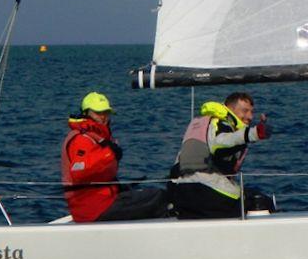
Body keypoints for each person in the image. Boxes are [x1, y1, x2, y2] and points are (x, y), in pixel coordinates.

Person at [61, 92, 172, 222]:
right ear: (86, 113)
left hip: (102, 202)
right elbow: (79, 171)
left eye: (106, 113)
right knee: (158, 197)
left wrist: (118, 187)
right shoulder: (82, 139)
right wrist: (109, 154)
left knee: (152, 194)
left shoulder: (98, 137)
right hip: (93, 208)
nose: (103, 117)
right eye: (98, 113)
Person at [169, 91, 274, 219]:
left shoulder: (201, 124)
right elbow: (220, 143)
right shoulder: (221, 125)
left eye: (251, 112)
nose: (250, 117)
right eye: (245, 111)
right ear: (230, 109)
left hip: (183, 192)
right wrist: (255, 133)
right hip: (208, 192)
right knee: (263, 202)